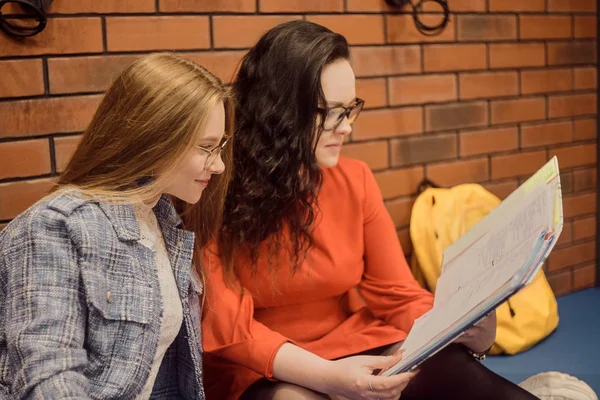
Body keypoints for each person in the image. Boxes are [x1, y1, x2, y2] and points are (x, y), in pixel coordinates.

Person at [201, 21, 541, 400]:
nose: (346, 127)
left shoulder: (355, 179)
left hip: (359, 345)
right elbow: (229, 329)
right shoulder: (214, 189)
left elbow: (397, 294)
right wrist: (328, 378)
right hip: (266, 366)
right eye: (331, 112)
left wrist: (457, 324)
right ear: (278, 112)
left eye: (350, 109)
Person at [0, 53, 233, 399]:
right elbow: (49, 378)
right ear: (154, 138)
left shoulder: (163, 220)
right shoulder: (55, 226)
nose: (217, 167)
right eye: (206, 148)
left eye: (220, 146)